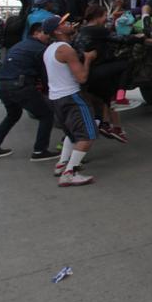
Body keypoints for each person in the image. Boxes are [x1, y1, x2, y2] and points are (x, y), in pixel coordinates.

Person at [0, 19, 57, 161]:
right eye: (46, 33)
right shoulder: (39, 49)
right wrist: (49, 91)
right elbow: (44, 73)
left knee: (12, 115)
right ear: (36, 33)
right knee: (46, 114)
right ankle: (40, 151)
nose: (49, 36)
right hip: (20, 86)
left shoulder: (20, 45)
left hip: (3, 86)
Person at [43, 15, 98, 187]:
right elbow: (81, 77)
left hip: (56, 98)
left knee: (72, 134)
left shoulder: (50, 49)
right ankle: (70, 173)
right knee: (88, 135)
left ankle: (61, 164)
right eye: (64, 23)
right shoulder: (66, 50)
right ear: (58, 31)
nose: (69, 24)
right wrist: (88, 59)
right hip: (71, 97)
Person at [77, 3, 128, 143]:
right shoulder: (97, 30)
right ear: (97, 17)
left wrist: (113, 15)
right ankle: (121, 95)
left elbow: (106, 29)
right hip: (94, 72)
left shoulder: (83, 29)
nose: (106, 18)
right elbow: (120, 38)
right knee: (125, 65)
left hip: (91, 72)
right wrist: (142, 38)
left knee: (107, 98)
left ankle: (112, 127)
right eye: (105, 16)